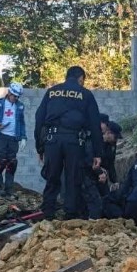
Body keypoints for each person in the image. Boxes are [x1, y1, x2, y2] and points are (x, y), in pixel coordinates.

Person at [35, 66, 103, 219]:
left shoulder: (51, 92)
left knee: (52, 177)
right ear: (80, 79)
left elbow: (39, 118)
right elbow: (95, 124)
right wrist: (98, 153)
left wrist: (40, 147)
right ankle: (70, 215)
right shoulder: (85, 94)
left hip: (52, 141)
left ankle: (48, 214)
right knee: (73, 178)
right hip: (74, 141)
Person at [0, 82, 27, 196]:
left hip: (14, 138)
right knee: (0, 161)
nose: (15, 98)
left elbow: (22, 123)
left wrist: (23, 137)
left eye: (17, 96)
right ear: (9, 93)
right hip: (1, 137)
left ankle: (9, 189)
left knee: (12, 163)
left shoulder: (20, 106)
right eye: (14, 96)